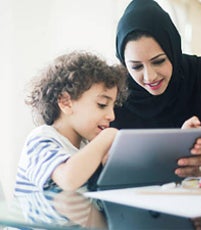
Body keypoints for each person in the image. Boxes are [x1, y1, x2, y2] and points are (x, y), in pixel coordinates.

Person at [112, 0, 201, 176]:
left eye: (158, 61)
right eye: (136, 67)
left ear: (173, 50)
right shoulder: (114, 92)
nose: (149, 76)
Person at [14, 51, 128, 194]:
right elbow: (68, 180)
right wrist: (107, 137)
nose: (111, 116)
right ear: (66, 102)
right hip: (43, 216)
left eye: (113, 107)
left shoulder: (85, 147)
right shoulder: (40, 140)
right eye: (102, 104)